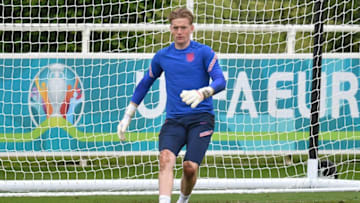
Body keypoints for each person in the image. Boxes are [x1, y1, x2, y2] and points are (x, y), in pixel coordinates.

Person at [117, 7, 226, 203]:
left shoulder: (204, 52)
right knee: (166, 158)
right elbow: (144, 84)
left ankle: (183, 200)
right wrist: (128, 115)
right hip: (174, 120)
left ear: (191, 28)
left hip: (201, 118)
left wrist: (203, 93)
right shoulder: (162, 56)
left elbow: (220, 81)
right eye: (175, 28)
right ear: (170, 29)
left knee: (190, 167)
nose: (179, 32)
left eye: (183, 27)